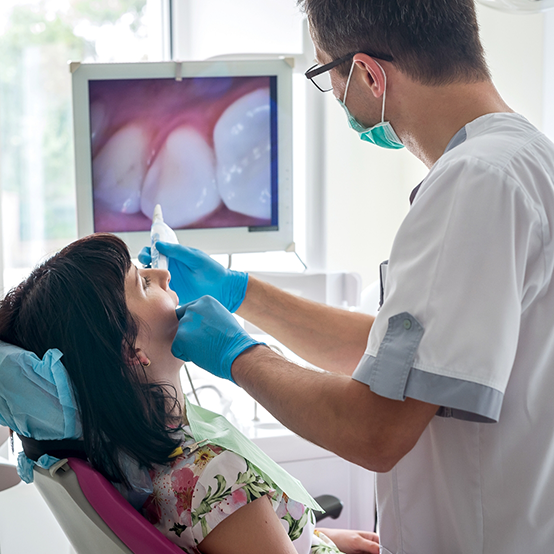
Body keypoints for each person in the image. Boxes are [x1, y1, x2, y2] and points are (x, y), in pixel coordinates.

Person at [138, 1, 554, 553]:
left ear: (369, 74)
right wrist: (238, 294)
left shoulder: (474, 184)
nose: (334, 96)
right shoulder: (524, 160)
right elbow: (400, 361)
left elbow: (376, 430)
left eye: (323, 74)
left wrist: (238, 354)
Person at [0, 233, 380, 554]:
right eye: (143, 283)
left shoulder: (132, 466)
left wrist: (315, 539)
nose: (162, 273)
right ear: (130, 351)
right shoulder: (214, 477)